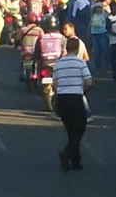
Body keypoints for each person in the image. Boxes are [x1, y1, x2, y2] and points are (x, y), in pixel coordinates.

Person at [54, 38, 93, 172]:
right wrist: (83, 91)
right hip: (76, 99)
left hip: (62, 100)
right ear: (77, 49)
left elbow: (55, 84)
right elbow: (88, 82)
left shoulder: (58, 64)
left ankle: (75, 162)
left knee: (71, 131)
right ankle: (66, 153)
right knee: (79, 130)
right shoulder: (80, 63)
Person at [61, 21, 94, 123]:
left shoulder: (69, 43)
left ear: (72, 28)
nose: (64, 31)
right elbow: (86, 57)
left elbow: (63, 56)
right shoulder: (81, 42)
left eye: (66, 29)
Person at [34, 15, 67, 112]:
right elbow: (65, 50)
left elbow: (37, 53)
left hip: (45, 65)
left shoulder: (41, 38)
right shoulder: (62, 38)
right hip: (58, 64)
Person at [17, 12, 44, 82]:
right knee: (39, 63)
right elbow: (43, 39)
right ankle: (37, 75)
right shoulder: (39, 30)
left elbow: (18, 38)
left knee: (21, 61)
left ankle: (22, 74)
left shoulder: (23, 29)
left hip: (25, 50)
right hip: (35, 51)